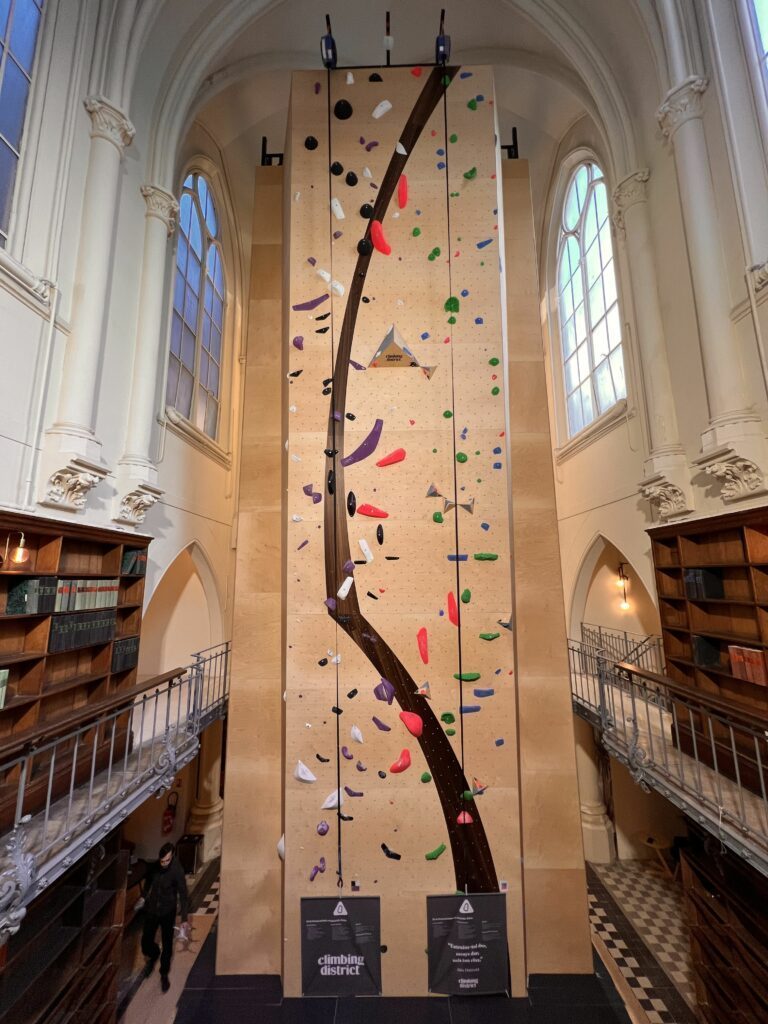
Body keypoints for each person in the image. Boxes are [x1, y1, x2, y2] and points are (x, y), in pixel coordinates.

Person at [141, 841, 190, 992]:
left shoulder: (177, 870)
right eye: (161, 861)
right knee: (146, 941)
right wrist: (144, 896)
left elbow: (183, 894)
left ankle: (163, 974)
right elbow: (149, 881)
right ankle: (154, 954)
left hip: (168, 911)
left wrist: (184, 918)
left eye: (166, 860)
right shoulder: (156, 866)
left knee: (167, 944)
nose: (163, 864)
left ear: (172, 856)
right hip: (152, 909)